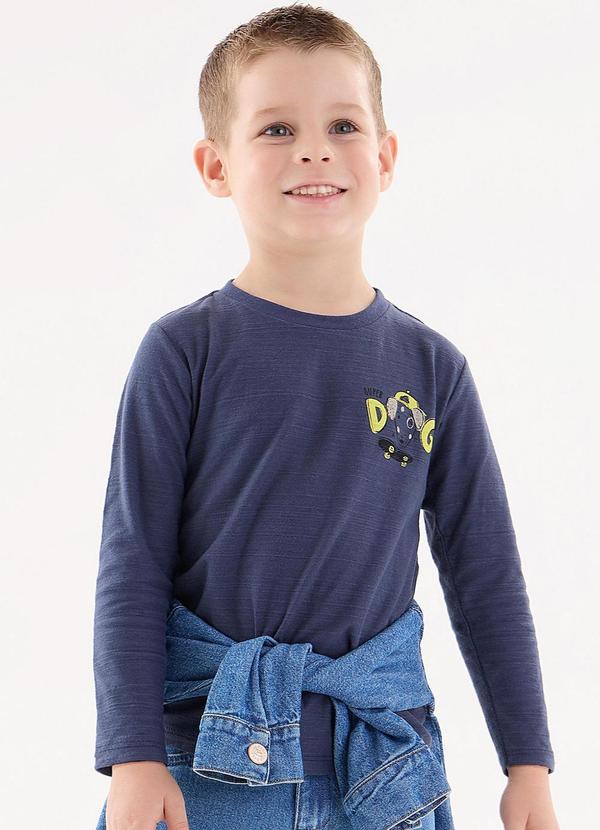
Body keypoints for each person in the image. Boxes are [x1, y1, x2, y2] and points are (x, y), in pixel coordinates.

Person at [92, 5, 559, 830]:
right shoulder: (182, 351)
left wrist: (528, 764)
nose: (314, 150)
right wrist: (132, 756)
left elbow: (486, 576)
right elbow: (133, 566)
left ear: (385, 157)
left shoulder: (434, 369)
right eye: (277, 129)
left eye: (343, 125)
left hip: (385, 777)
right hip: (205, 771)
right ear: (216, 166)